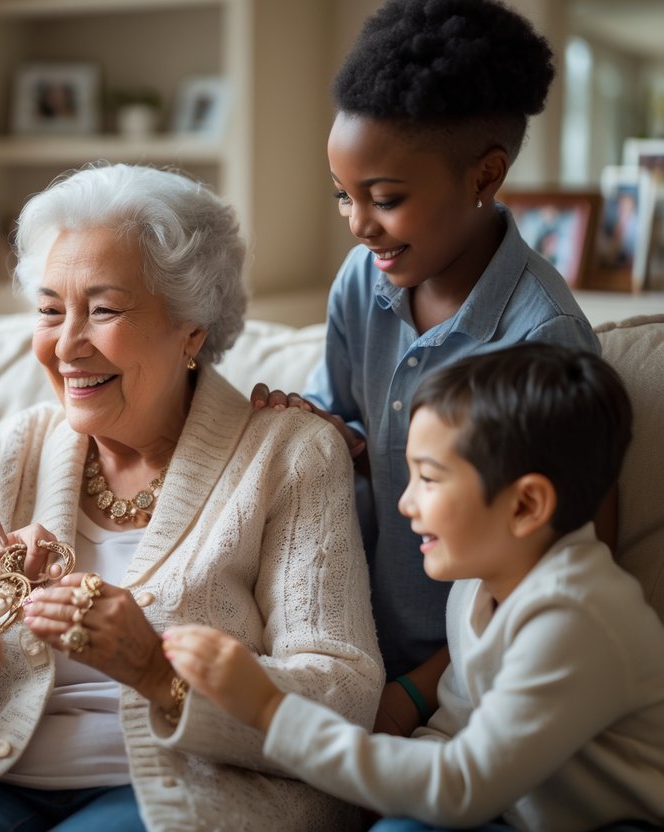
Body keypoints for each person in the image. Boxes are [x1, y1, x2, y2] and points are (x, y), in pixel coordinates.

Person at [0, 163, 385, 831]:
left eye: (102, 310)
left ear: (191, 328)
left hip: (184, 794)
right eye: (49, 310)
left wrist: (155, 668)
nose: (67, 344)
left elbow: (345, 694)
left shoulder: (286, 453)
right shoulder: (18, 447)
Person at [251, 0, 599, 738]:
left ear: (485, 175)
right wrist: (325, 435)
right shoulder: (361, 281)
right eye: (343, 196)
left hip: (467, 678)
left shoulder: (543, 339)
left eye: (385, 200)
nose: (356, 224)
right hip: (348, 642)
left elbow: (555, 567)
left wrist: (414, 694)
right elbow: (349, 425)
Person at [166, 343, 664, 832]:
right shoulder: (481, 585)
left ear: (524, 507)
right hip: (509, 807)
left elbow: (461, 784)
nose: (405, 504)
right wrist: (380, 788)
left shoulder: (575, 620)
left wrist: (270, 710)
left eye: (428, 479)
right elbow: (456, 727)